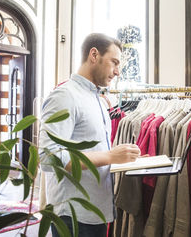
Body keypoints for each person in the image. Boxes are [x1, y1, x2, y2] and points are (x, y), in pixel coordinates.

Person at [39, 33, 141, 237]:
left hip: (96, 209)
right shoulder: (65, 96)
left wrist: (128, 160)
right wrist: (111, 156)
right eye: (114, 62)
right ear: (94, 55)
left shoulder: (97, 99)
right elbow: (49, 158)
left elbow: (92, 152)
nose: (117, 72)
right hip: (73, 215)